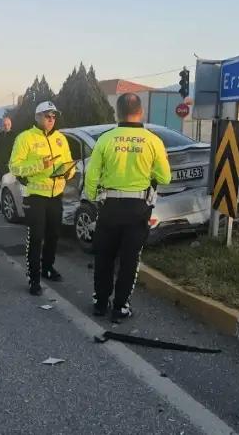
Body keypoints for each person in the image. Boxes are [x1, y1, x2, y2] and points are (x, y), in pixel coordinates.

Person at [84, 93, 171, 321]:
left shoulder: (105, 139)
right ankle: (120, 307)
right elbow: (165, 177)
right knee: (129, 260)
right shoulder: (153, 141)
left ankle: (100, 303)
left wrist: (93, 197)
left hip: (110, 207)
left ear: (117, 113)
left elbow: (91, 176)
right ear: (141, 112)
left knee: (104, 257)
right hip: (138, 209)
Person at [8, 102, 74, 295]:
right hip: (35, 196)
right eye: (47, 116)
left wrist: (68, 173)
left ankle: (47, 268)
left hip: (56, 195)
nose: (51, 119)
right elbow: (14, 167)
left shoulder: (60, 138)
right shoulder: (25, 138)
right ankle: (34, 278)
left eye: (54, 116)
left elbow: (69, 162)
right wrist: (40, 165)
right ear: (37, 117)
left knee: (54, 235)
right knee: (36, 237)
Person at [0, 116, 15, 214]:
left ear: (11, 125)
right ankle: (2, 205)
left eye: (8, 124)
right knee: (2, 185)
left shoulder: (14, 136)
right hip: (0, 166)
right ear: (2, 125)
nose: (6, 126)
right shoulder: (0, 136)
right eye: (4, 125)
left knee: (6, 186)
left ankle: (1, 205)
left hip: (9, 166)